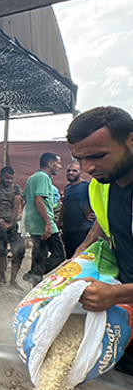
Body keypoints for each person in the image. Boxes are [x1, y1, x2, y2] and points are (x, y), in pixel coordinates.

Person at [65, 106, 133, 375]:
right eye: (80, 159)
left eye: (98, 156)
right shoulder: (102, 185)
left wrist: (117, 294)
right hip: (124, 317)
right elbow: (100, 228)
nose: (87, 168)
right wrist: (73, 263)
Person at [22, 152, 65, 284]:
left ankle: (35, 282)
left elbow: (26, 198)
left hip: (33, 223)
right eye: (58, 163)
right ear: (50, 164)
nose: (60, 166)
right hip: (42, 223)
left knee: (39, 255)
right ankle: (34, 273)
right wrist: (47, 223)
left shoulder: (32, 178)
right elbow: (38, 200)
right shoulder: (44, 177)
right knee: (59, 255)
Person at [58, 160, 94, 258]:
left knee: (82, 258)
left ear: (81, 172)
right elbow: (64, 206)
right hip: (68, 230)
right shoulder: (67, 188)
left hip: (83, 229)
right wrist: (60, 222)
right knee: (70, 258)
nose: (71, 173)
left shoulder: (86, 187)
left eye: (74, 171)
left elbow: (97, 202)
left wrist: (93, 213)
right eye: (69, 171)